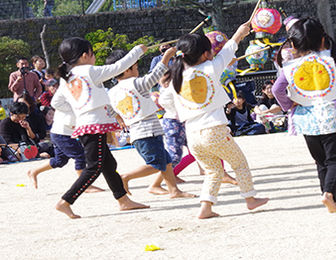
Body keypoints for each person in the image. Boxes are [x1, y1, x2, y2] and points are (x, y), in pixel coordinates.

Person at [167, 22, 268, 219]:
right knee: (239, 164)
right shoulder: (210, 68)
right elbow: (229, 50)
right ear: (205, 53)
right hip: (214, 130)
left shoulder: (175, 78)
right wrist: (239, 33)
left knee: (213, 171)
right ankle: (250, 199)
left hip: (192, 134)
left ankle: (206, 207)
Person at [53, 37, 149, 219]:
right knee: (94, 167)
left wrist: (78, 111)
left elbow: (56, 102)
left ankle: (123, 200)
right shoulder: (89, 71)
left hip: (87, 125)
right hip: (93, 126)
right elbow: (118, 68)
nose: (94, 57)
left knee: (108, 164)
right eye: (92, 53)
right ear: (84, 55)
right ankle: (65, 201)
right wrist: (137, 51)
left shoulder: (66, 78)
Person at [273, 15, 336, 213]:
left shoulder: (289, 67)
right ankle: (329, 194)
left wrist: (288, 104)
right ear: (323, 40)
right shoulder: (329, 57)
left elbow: (276, 90)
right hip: (331, 116)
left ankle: (331, 195)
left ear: (293, 43)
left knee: (321, 161)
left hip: (306, 120)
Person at [105, 47, 194, 199]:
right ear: (127, 69)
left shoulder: (111, 92)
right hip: (147, 131)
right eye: (136, 67)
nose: (137, 70)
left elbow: (108, 108)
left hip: (141, 132)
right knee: (156, 164)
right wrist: (165, 58)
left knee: (166, 162)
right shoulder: (136, 83)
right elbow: (154, 76)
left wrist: (119, 118)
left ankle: (174, 190)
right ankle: (126, 177)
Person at [27, 86, 103, 193]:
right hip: (61, 133)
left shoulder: (78, 101)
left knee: (60, 161)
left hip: (61, 133)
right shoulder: (69, 101)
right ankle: (84, 185)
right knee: (80, 156)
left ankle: (34, 171)